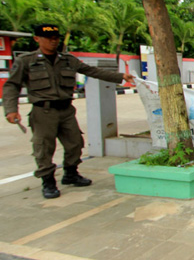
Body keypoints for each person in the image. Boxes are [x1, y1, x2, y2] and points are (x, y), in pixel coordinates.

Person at [2, 24, 135, 199]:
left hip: (66, 110)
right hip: (44, 111)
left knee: (75, 144)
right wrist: (11, 109)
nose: (53, 41)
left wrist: (120, 77)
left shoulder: (67, 60)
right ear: (37, 39)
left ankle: (70, 174)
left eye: (55, 37)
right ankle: (48, 181)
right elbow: (12, 85)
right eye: (48, 37)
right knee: (44, 148)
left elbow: (92, 71)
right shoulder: (26, 61)